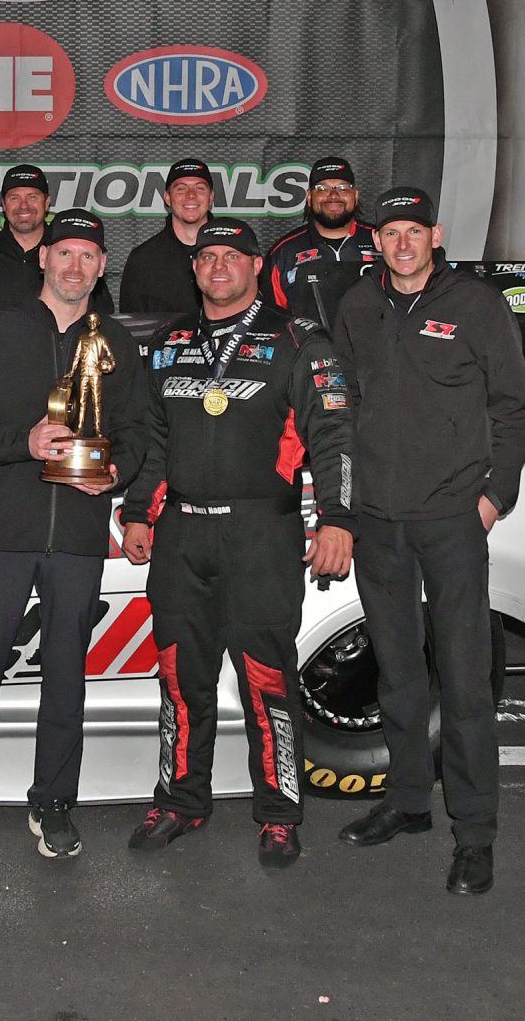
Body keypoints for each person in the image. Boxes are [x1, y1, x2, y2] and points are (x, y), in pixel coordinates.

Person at [118, 219, 356, 868]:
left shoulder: (300, 339)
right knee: (177, 675)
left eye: (232, 256)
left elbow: (335, 437)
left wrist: (338, 519)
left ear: (257, 267)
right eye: (207, 257)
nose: (218, 266)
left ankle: (279, 814)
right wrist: (138, 511)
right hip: (182, 533)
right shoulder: (169, 342)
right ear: (194, 269)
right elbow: (155, 437)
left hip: (261, 531)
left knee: (266, 679)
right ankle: (180, 799)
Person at [329, 186, 525, 896]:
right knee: (396, 673)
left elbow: (515, 408)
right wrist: (349, 504)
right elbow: (348, 406)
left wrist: (493, 498)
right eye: (391, 233)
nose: (404, 243)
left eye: (415, 231)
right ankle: (409, 801)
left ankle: (474, 835)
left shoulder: (476, 304)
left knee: (465, 678)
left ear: (436, 235)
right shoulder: (357, 306)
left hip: (452, 519)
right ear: (376, 240)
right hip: (380, 521)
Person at [0, 209, 155, 860]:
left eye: (89, 256)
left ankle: (54, 803)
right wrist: (22, 443)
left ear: (101, 267)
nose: (75, 266)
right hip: (4, 532)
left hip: (80, 535)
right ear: (43, 259)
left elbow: (142, 428)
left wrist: (116, 468)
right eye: (65, 253)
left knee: (66, 675)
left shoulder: (115, 341)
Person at [0, 164, 110, 354]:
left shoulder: (71, 260)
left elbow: (102, 316)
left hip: (62, 370)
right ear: (3, 204)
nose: (23, 206)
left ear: (47, 202)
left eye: (32, 197)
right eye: (14, 197)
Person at [260, 155, 378, 329]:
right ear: (309, 197)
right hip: (308, 354)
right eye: (322, 188)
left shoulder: (382, 241)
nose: (333, 195)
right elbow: (271, 320)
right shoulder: (283, 252)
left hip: (374, 354)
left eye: (343, 187)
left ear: (356, 195)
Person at [118, 158, 214, 315]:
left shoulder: (236, 252)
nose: (191, 195)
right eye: (181, 189)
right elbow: (132, 331)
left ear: (211, 197)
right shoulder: (142, 260)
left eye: (200, 188)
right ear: (167, 198)